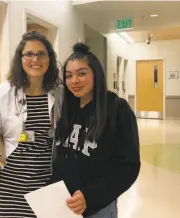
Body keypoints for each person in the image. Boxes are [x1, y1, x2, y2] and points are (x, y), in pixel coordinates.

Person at [0, 31, 63, 218]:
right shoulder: (5, 91)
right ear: (20, 59)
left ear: (49, 59)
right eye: (29, 54)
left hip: (44, 186)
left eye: (41, 54)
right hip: (8, 186)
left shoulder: (59, 94)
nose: (35, 59)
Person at [50, 42, 141, 218]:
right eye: (69, 76)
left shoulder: (117, 109)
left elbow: (128, 166)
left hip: (98, 208)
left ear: (96, 74)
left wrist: (90, 196)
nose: (74, 80)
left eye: (82, 73)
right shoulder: (69, 108)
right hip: (64, 205)